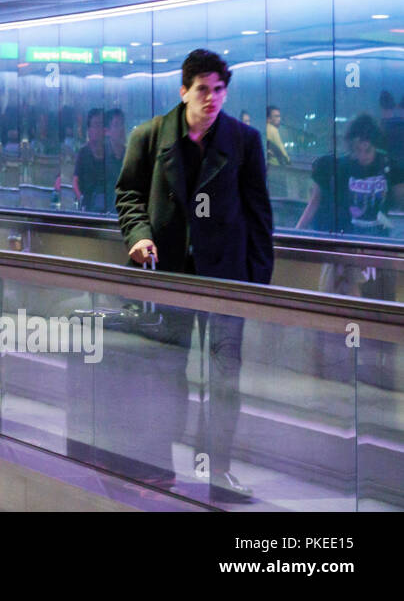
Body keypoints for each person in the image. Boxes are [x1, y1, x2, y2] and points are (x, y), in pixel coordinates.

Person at [115, 48, 274, 503]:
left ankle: (218, 472)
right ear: (183, 90)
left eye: (219, 90)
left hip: (226, 281)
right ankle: (162, 466)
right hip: (170, 277)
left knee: (225, 378)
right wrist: (139, 235)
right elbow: (127, 193)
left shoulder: (242, 141)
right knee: (168, 374)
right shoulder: (149, 137)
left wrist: (257, 283)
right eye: (203, 90)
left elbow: (259, 214)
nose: (212, 98)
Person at [71, 108, 114, 212]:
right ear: (89, 130)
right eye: (95, 125)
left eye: (101, 125)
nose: (99, 129)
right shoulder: (83, 152)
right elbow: (75, 182)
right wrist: (82, 200)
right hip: (89, 208)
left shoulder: (111, 151)